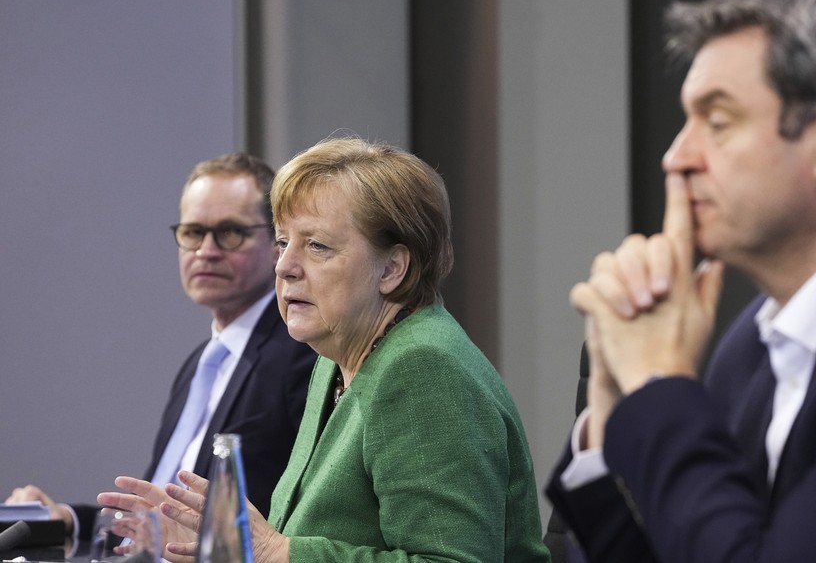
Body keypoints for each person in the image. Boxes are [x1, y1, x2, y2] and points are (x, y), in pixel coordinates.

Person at [97, 136, 550, 562]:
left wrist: (277, 552)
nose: (286, 266)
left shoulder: (423, 368)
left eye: (316, 245)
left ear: (391, 268)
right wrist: (220, 546)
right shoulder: (333, 360)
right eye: (281, 242)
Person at [546, 0, 816, 561]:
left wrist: (661, 382)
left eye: (717, 122)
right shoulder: (749, 342)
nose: (677, 156)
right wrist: (612, 407)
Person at [5, 153, 317, 543]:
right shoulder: (200, 365)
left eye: (230, 232)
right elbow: (159, 514)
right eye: (192, 232)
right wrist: (67, 518)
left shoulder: (302, 351)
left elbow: (299, 518)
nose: (206, 250)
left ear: (277, 244)